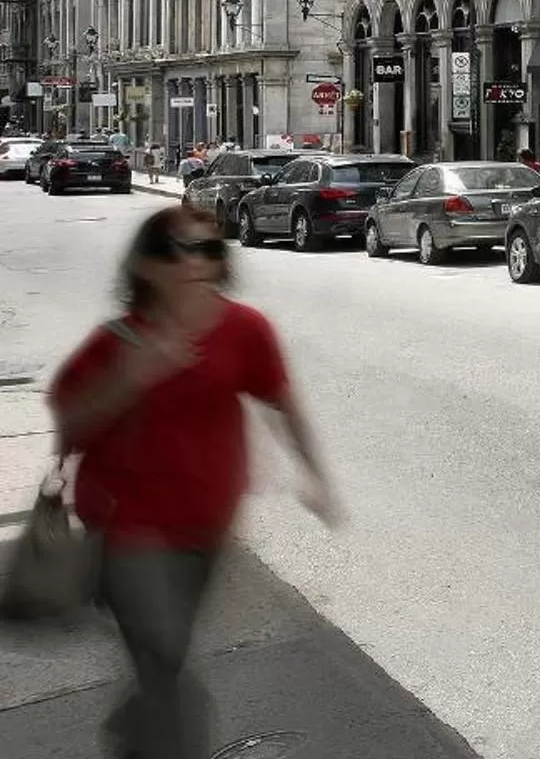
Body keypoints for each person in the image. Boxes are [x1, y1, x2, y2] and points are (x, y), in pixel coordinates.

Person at [47, 205, 338, 759]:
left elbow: (283, 403)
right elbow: (69, 424)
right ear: (147, 265)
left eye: (209, 249)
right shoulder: (119, 340)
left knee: (166, 655)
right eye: (178, 250)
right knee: (162, 658)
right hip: (128, 528)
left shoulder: (244, 329)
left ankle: (136, 735)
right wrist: (130, 379)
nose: (197, 262)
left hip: (207, 529)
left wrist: (315, 476)